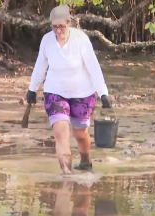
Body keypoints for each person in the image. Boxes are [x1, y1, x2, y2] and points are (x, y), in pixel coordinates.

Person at [26, 4, 112, 174]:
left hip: (83, 93)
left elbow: (94, 68)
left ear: (69, 23)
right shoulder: (47, 40)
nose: (58, 31)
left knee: (80, 134)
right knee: (61, 133)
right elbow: (40, 66)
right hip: (55, 92)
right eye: (54, 27)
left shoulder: (81, 40)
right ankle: (66, 174)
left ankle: (86, 161)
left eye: (62, 26)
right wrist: (32, 89)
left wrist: (103, 94)